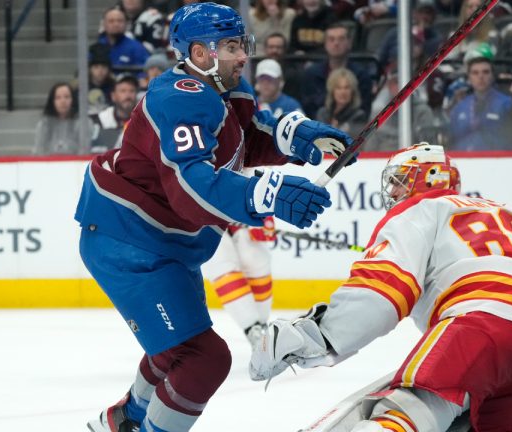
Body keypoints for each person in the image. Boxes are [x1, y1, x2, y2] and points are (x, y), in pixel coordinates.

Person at [75, 4, 353, 432]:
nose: (243, 55)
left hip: (162, 242)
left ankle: (123, 420)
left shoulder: (226, 87)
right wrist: (267, 192)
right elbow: (191, 187)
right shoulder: (179, 98)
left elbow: (247, 134)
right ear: (200, 54)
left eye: (241, 43)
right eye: (230, 46)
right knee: (204, 359)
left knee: (177, 349)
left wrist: (296, 136)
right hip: (129, 241)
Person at [250, 143, 512, 431]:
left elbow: (382, 292)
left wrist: (317, 336)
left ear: (430, 178)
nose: (393, 191)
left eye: (401, 180)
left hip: (480, 324)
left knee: (411, 410)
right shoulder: (509, 213)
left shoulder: (419, 209)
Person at [202, 215, 276, 347]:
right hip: (201, 214)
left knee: (254, 256)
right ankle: (253, 329)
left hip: (241, 205)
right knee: (220, 262)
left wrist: (265, 214)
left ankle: (261, 327)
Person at [449, 55, 512, 151]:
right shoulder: (460, 107)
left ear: (492, 76)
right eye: (475, 73)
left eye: (486, 72)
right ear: (469, 77)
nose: (480, 76)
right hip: (463, 160)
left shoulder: (506, 104)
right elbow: (453, 140)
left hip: (496, 160)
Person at [33, 83, 89, 155]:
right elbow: (38, 150)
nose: (63, 101)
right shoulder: (44, 124)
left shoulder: (83, 123)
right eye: (58, 97)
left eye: (67, 97)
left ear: (73, 100)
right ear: (52, 101)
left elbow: (85, 151)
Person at [90, 74, 138, 153]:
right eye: (123, 91)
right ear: (113, 96)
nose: (128, 95)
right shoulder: (101, 119)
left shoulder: (144, 120)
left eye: (132, 91)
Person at [316, 68, 367, 139]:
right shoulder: (322, 113)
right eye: (338, 88)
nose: (343, 92)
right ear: (332, 91)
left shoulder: (359, 115)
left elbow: (352, 140)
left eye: (346, 88)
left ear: (352, 92)